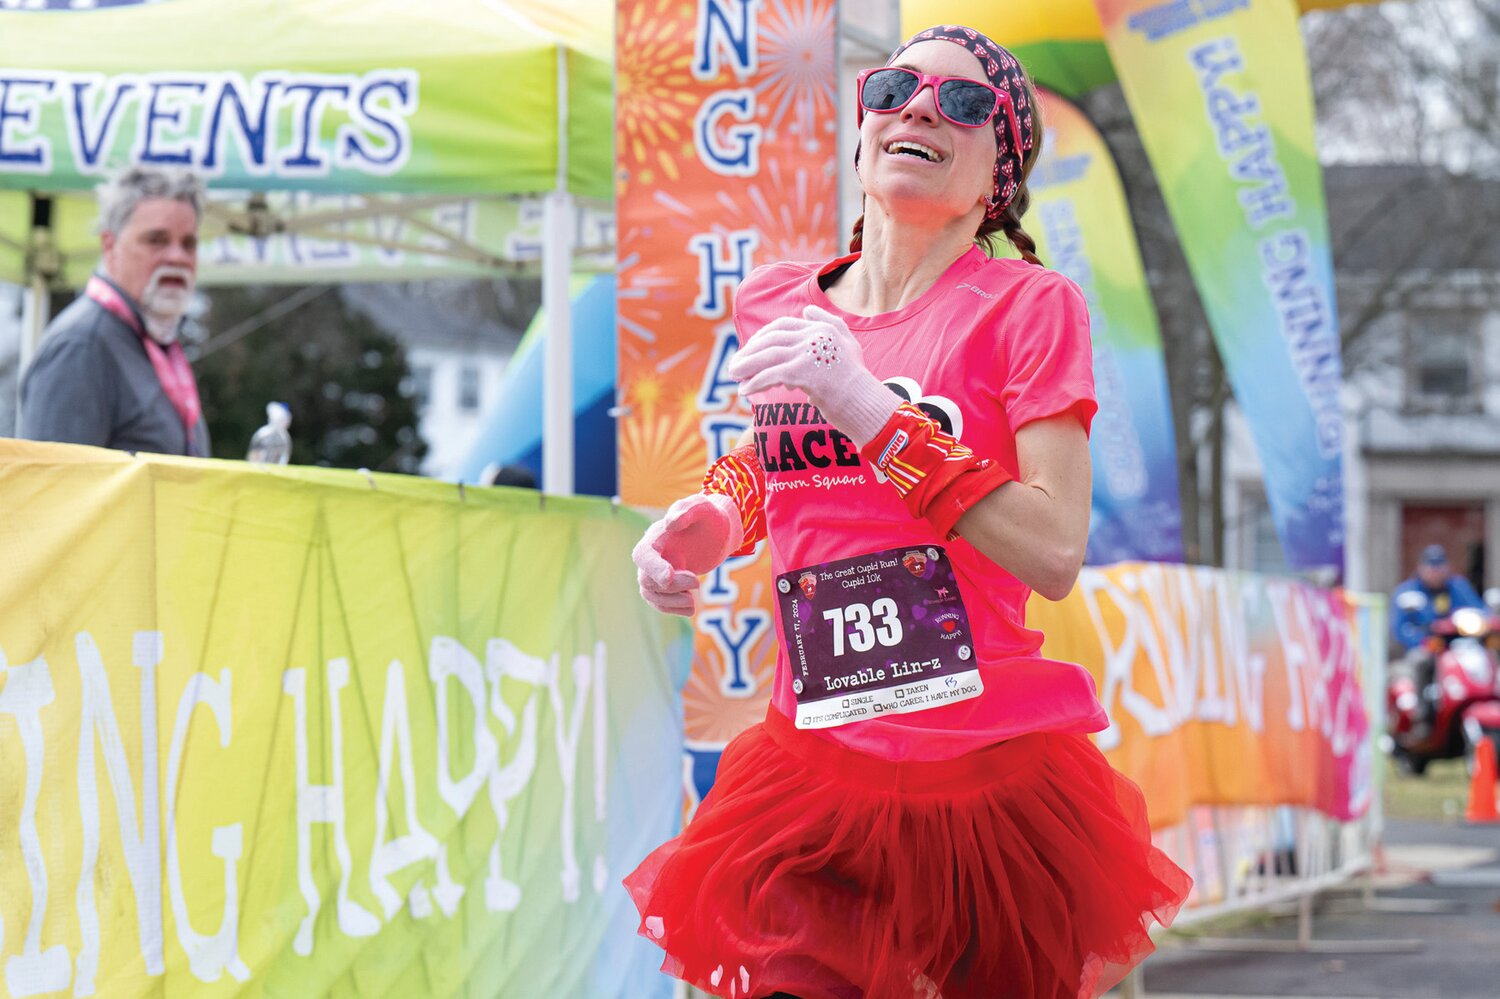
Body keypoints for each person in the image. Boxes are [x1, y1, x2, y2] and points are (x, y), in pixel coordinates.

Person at [626, 25, 1190, 999]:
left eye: (965, 103)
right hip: (815, 761)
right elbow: (786, 462)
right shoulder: (779, 302)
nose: (922, 106)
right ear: (861, 128)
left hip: (982, 784)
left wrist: (876, 414)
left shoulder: (1026, 306)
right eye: (897, 87)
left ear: (998, 174)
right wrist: (714, 520)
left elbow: (1055, 549)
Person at [20, 166, 210, 457]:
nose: (177, 257)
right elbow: (54, 493)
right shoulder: (82, 345)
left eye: (188, 244)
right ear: (110, 246)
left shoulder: (156, 344)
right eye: (156, 240)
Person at [1390, 544, 1486, 729]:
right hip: (1427, 647)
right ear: (1421, 568)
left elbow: (1479, 610)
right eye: (1431, 568)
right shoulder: (1408, 592)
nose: (1436, 572)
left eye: (1440, 567)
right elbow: (1399, 629)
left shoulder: (1458, 587)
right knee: (1421, 662)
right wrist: (1422, 641)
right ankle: (1423, 715)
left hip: (1458, 647)